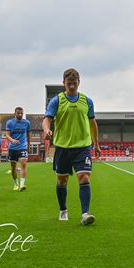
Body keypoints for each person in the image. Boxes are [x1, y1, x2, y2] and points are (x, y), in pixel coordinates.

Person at [42, 68, 101, 225]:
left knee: (84, 177)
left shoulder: (87, 101)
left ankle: (85, 214)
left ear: (79, 83)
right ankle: (63, 210)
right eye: (69, 84)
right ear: (64, 84)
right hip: (62, 147)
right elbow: (47, 119)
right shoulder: (57, 101)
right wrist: (47, 130)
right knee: (62, 181)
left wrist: (96, 143)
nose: (72, 87)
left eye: (75, 84)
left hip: (83, 147)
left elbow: (92, 123)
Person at [6, 107, 31, 191]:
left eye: (21, 113)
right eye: (18, 113)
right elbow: (7, 135)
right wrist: (12, 140)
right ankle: (16, 184)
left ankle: (22, 184)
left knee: (24, 163)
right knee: (13, 167)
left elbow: (28, 135)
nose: (20, 115)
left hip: (23, 147)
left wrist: (29, 146)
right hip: (12, 148)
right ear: (15, 113)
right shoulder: (9, 123)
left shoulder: (27, 123)